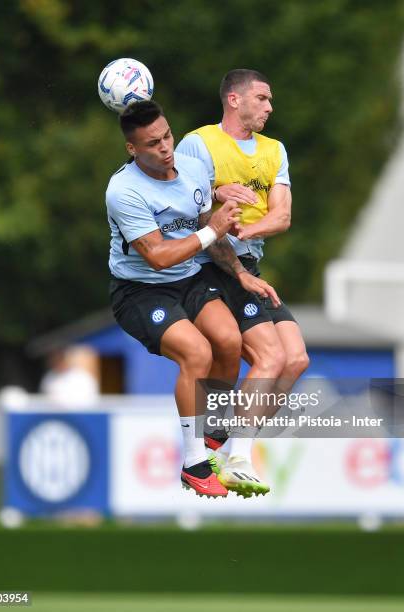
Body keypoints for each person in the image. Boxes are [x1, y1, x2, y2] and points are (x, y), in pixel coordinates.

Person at [106, 100, 280, 498]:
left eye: (167, 136)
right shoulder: (124, 190)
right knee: (197, 353)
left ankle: (212, 439)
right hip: (141, 290)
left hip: (190, 279)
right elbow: (158, 255)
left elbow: (205, 224)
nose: (165, 147)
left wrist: (239, 273)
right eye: (152, 144)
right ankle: (194, 464)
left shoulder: (194, 167)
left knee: (230, 342)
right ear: (133, 150)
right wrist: (213, 230)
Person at [176, 69, 310, 492]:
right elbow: (189, 210)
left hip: (248, 262)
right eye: (263, 99)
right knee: (269, 357)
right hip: (213, 264)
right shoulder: (198, 143)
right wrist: (219, 200)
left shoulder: (274, 151)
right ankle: (237, 457)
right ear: (234, 100)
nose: (270, 107)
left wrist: (245, 231)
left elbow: (282, 215)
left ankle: (228, 440)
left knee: (296, 360)